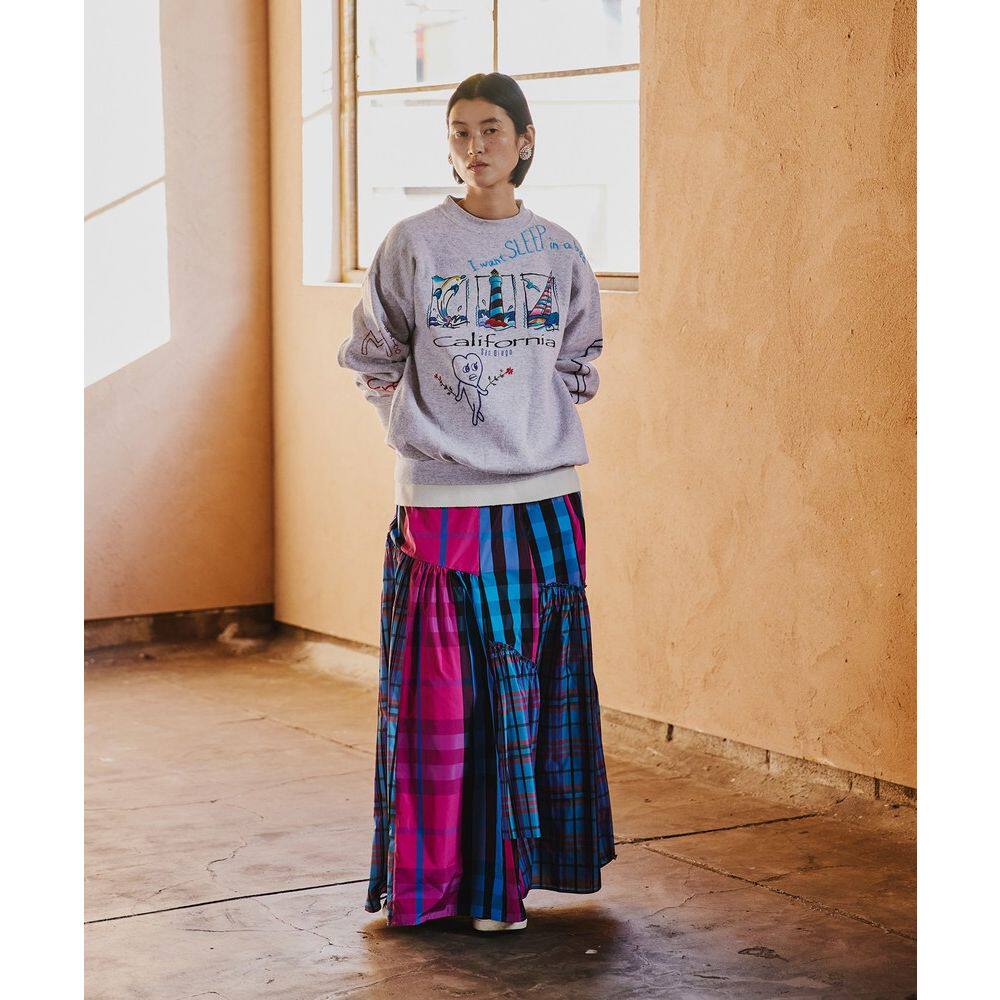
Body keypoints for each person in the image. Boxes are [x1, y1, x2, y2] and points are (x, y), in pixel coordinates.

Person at [337, 71, 615, 933]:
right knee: (448, 696)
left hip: (544, 496)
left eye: (492, 128)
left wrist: (528, 417)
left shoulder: (559, 250)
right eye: (460, 131)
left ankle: (506, 889)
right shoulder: (414, 243)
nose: (475, 145)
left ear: (525, 141)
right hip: (444, 495)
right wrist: (421, 431)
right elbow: (371, 357)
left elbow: (580, 361)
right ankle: (444, 886)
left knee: (530, 691)